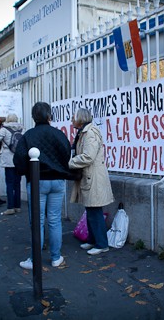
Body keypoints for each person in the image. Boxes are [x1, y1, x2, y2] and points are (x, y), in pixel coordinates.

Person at [14, 102, 72, 270]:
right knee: (54, 220)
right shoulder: (58, 134)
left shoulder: (28, 136)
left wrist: (26, 173)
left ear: (33, 117)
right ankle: (56, 258)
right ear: (49, 116)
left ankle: (34, 260)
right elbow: (66, 153)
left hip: (38, 180)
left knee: (37, 221)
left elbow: (19, 159)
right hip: (57, 181)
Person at [68, 108, 115, 255]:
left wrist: (69, 162)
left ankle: (101, 244)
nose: (71, 120)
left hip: (93, 177)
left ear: (80, 119)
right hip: (89, 176)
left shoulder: (90, 133)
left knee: (94, 211)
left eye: (73, 117)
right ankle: (93, 240)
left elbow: (88, 156)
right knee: (90, 210)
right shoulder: (84, 132)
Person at [0, 113, 23, 215]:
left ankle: (10, 207)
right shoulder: (21, 129)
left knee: (9, 183)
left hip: (8, 160)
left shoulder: (5, 129)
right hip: (18, 160)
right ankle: (18, 206)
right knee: (17, 184)